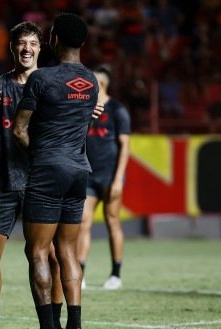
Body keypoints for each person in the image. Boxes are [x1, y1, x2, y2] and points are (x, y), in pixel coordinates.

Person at [0, 22, 65, 329]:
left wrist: (88, 112)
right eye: (22, 43)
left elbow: (68, 121)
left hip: (39, 182)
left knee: (49, 255)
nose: (27, 49)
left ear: (39, 48)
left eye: (33, 43)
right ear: (12, 47)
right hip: (4, 180)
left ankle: (53, 322)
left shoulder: (49, 84)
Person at [13, 13, 98, 329]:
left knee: (36, 251)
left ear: (53, 40)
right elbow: (84, 126)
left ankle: (49, 327)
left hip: (48, 170)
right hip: (79, 172)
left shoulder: (41, 79)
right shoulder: (90, 81)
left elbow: (19, 130)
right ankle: (74, 325)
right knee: (68, 252)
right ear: (83, 42)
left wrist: (41, 155)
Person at [77, 66, 131, 290]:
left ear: (101, 85)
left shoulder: (118, 110)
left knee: (112, 221)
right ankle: (79, 273)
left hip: (109, 176)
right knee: (82, 223)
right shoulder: (83, 109)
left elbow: (125, 147)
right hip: (88, 176)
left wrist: (118, 179)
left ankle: (115, 274)